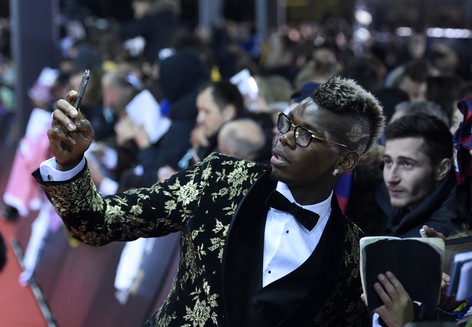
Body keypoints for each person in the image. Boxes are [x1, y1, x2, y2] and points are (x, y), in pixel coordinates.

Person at [34, 76, 385, 326]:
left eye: (306, 135)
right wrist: (70, 165)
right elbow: (99, 223)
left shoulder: (354, 254)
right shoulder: (219, 179)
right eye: (287, 123)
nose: (285, 139)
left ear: (345, 161)